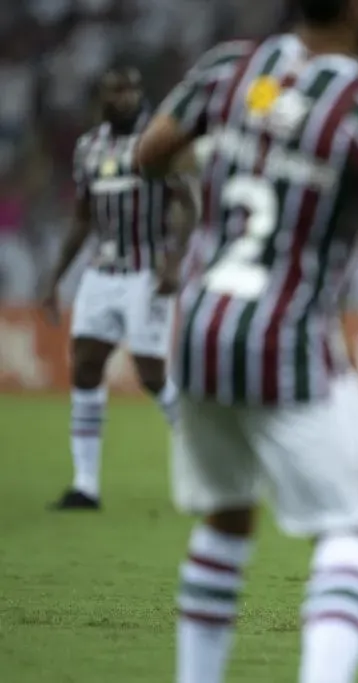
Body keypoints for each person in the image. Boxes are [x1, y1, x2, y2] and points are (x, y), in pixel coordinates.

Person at [134, 0, 358, 681]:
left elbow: (150, 155)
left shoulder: (229, 68)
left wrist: (237, 170)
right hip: (284, 338)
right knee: (348, 534)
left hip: (199, 329)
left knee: (225, 521)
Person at [42, 65, 196, 511]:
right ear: (103, 97)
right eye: (116, 91)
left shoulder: (157, 142)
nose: (124, 98)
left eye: (131, 89)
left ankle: (203, 465)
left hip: (147, 272)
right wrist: (55, 278)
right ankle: (85, 484)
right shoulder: (88, 148)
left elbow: (189, 204)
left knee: (151, 374)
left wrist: (173, 261)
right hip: (101, 272)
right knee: (86, 366)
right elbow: (82, 216)